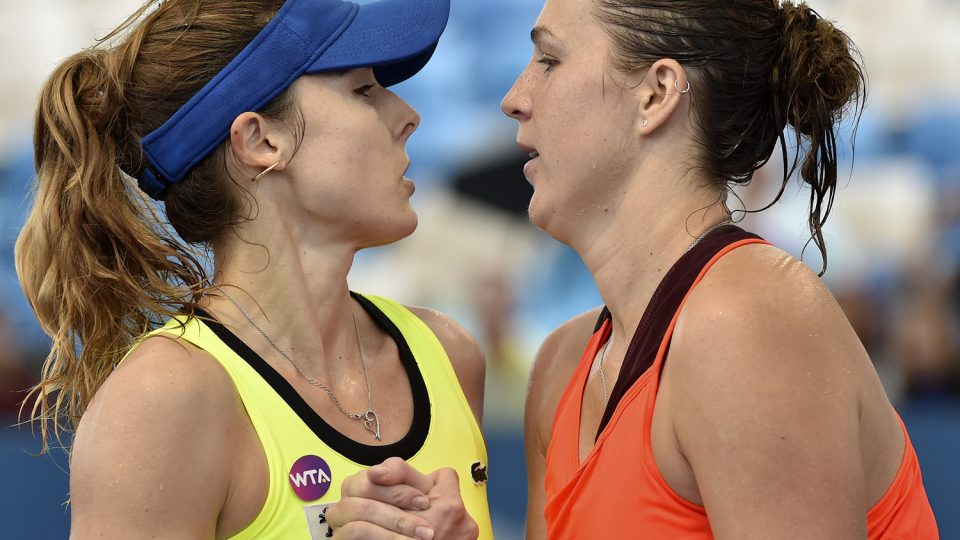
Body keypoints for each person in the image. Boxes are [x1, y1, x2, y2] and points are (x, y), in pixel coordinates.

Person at [340, 0, 940, 538]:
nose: (514, 97)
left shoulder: (748, 322)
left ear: (655, 95)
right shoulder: (560, 365)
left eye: (548, 59)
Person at [16, 0, 491, 538]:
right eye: (363, 90)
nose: (408, 115)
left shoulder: (449, 354)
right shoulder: (164, 399)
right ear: (261, 141)